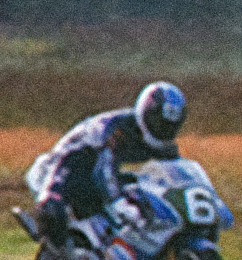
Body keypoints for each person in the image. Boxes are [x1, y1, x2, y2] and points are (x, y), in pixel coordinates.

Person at [32, 82, 186, 244]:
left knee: (138, 189)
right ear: (145, 111)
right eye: (158, 121)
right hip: (63, 166)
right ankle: (49, 207)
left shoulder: (162, 145)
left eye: (169, 126)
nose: (162, 129)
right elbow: (104, 165)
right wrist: (118, 202)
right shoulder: (116, 129)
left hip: (98, 174)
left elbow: (175, 166)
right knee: (54, 207)